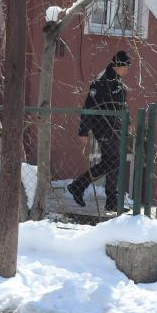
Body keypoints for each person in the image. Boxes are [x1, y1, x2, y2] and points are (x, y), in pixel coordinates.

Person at [68, 50, 130, 211]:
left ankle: (110, 201)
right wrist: (83, 131)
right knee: (113, 161)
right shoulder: (102, 82)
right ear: (118, 65)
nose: (127, 70)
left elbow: (120, 107)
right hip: (103, 127)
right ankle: (78, 186)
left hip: (115, 128)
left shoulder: (118, 82)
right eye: (126, 66)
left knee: (114, 163)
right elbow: (88, 106)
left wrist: (127, 123)